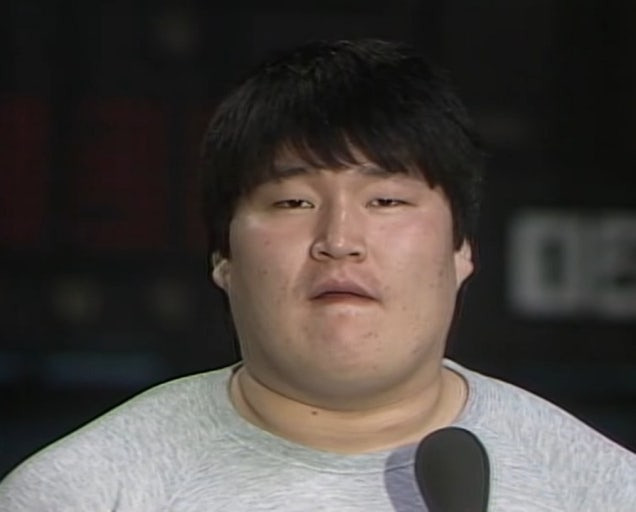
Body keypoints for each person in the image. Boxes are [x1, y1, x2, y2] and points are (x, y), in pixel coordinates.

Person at [0, 38, 634, 511]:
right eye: (293, 202)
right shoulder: (85, 492)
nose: (339, 241)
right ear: (222, 256)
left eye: (386, 201)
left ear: (462, 248)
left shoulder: (599, 490)